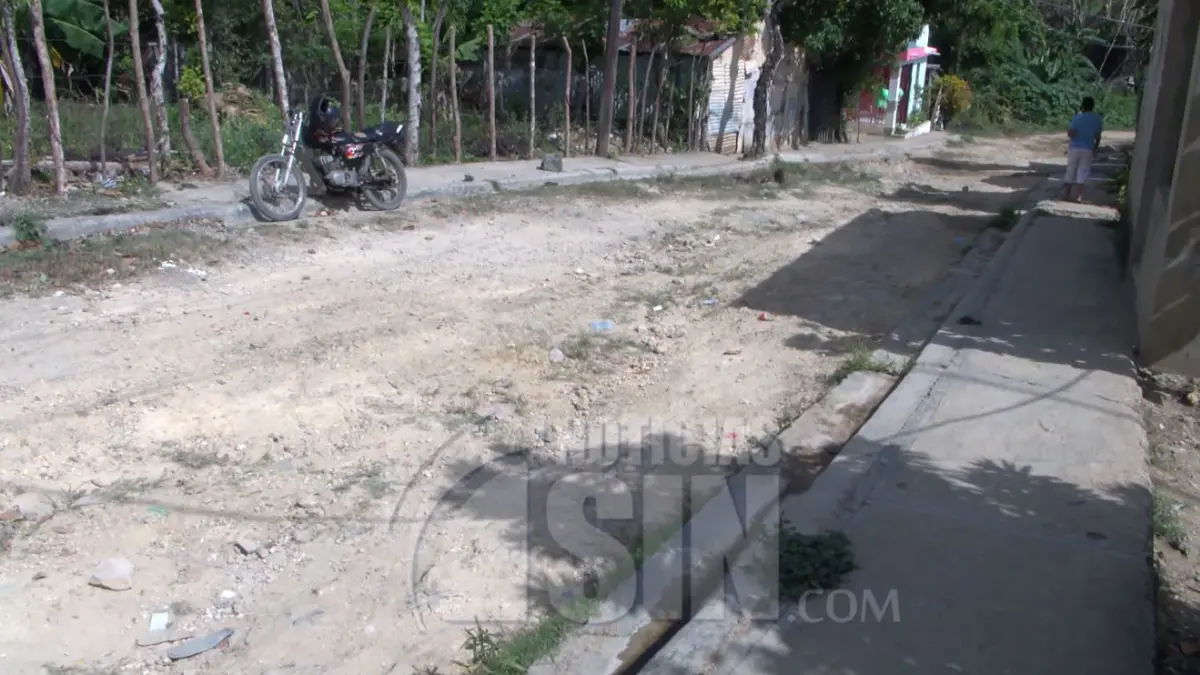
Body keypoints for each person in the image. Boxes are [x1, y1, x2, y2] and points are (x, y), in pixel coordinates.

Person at [1062, 96, 1103, 203]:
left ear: (1082, 106)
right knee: (1083, 171)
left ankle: (1066, 193)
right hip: (1088, 148)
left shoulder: (1077, 118)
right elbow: (1097, 136)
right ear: (1093, 106)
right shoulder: (1097, 119)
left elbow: (1070, 133)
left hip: (1074, 147)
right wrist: (1095, 148)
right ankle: (1078, 196)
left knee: (1071, 169)